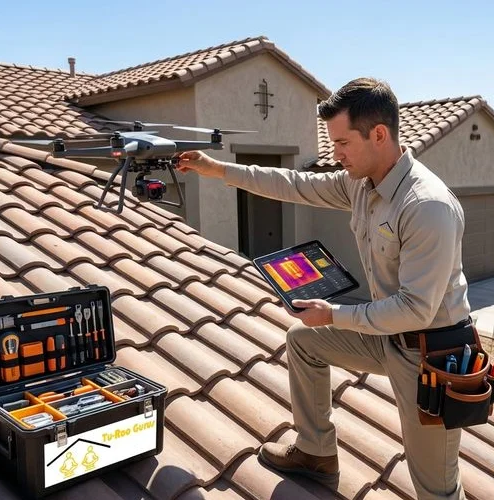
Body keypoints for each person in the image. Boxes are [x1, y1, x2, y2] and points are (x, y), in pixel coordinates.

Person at [177, 77, 469, 500]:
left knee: (436, 488)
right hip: (387, 336)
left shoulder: (426, 206)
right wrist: (217, 169)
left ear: (380, 134)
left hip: (431, 353)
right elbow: (293, 184)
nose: (336, 154)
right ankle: (316, 455)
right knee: (304, 341)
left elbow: (416, 310)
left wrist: (332, 314)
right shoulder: (361, 184)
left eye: (344, 143)